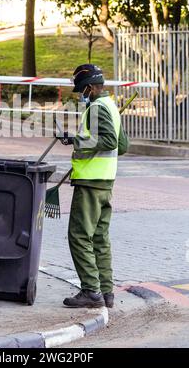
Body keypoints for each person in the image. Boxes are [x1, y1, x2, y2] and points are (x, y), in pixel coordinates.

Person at [60, 64, 129, 308]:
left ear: (89, 87)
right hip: (106, 181)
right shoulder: (110, 106)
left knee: (79, 236)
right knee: (99, 238)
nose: (81, 95)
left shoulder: (97, 108)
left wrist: (75, 140)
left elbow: (110, 141)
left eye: (82, 90)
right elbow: (123, 146)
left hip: (90, 182)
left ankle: (91, 291)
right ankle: (107, 293)